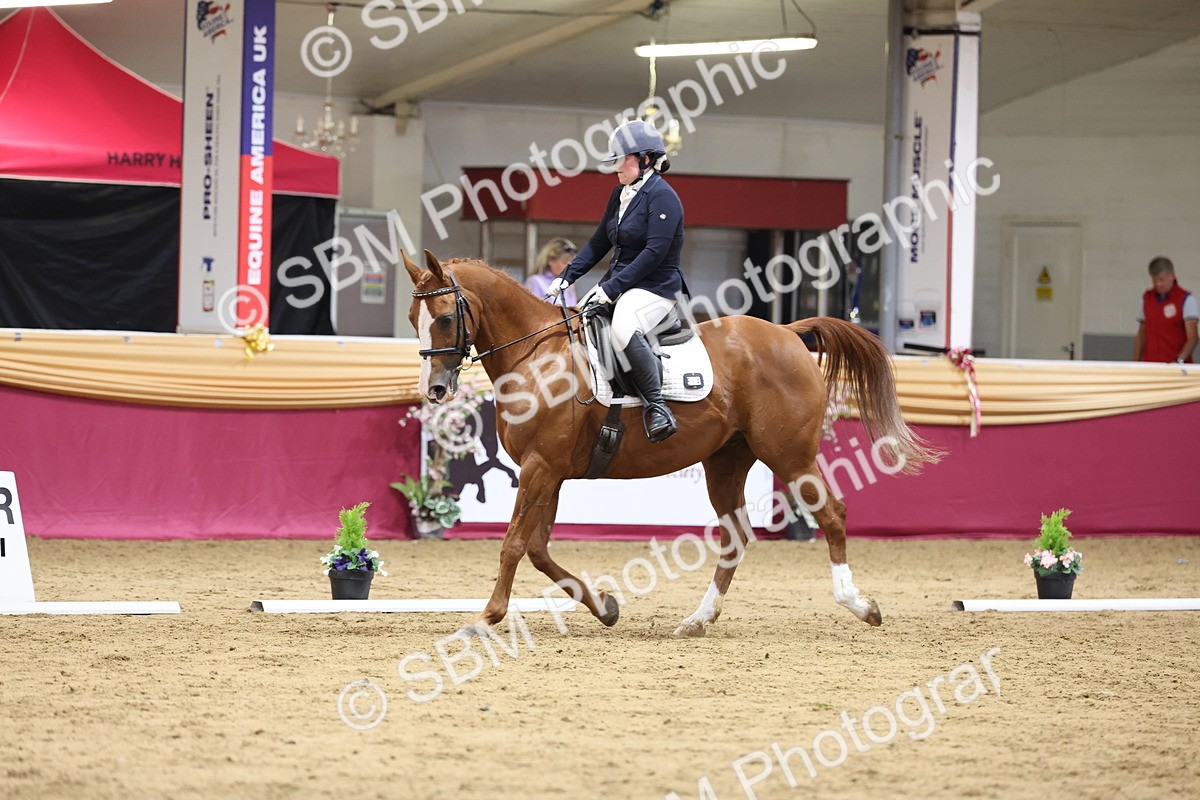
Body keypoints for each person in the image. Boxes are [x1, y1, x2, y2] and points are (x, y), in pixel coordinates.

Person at [546, 119, 685, 443]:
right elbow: (598, 242)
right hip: (621, 282)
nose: (616, 168)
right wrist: (567, 278)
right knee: (578, 321)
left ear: (646, 159)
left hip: (656, 287)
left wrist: (610, 289)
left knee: (623, 327)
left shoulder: (663, 197)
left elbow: (654, 252)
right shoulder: (620, 193)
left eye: (622, 160)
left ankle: (657, 406)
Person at [1134, 256, 1198, 364]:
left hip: (1176, 366)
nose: (1158, 284)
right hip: (1151, 364)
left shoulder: (1187, 300)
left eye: (1161, 280)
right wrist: (1135, 364)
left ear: (1172, 276)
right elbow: (1141, 334)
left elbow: (1193, 338)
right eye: (1154, 280)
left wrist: (1179, 360)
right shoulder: (1146, 298)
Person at [525, 237, 578, 306]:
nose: (568, 267)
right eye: (564, 262)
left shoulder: (569, 285)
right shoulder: (535, 282)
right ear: (550, 260)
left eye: (571, 264)